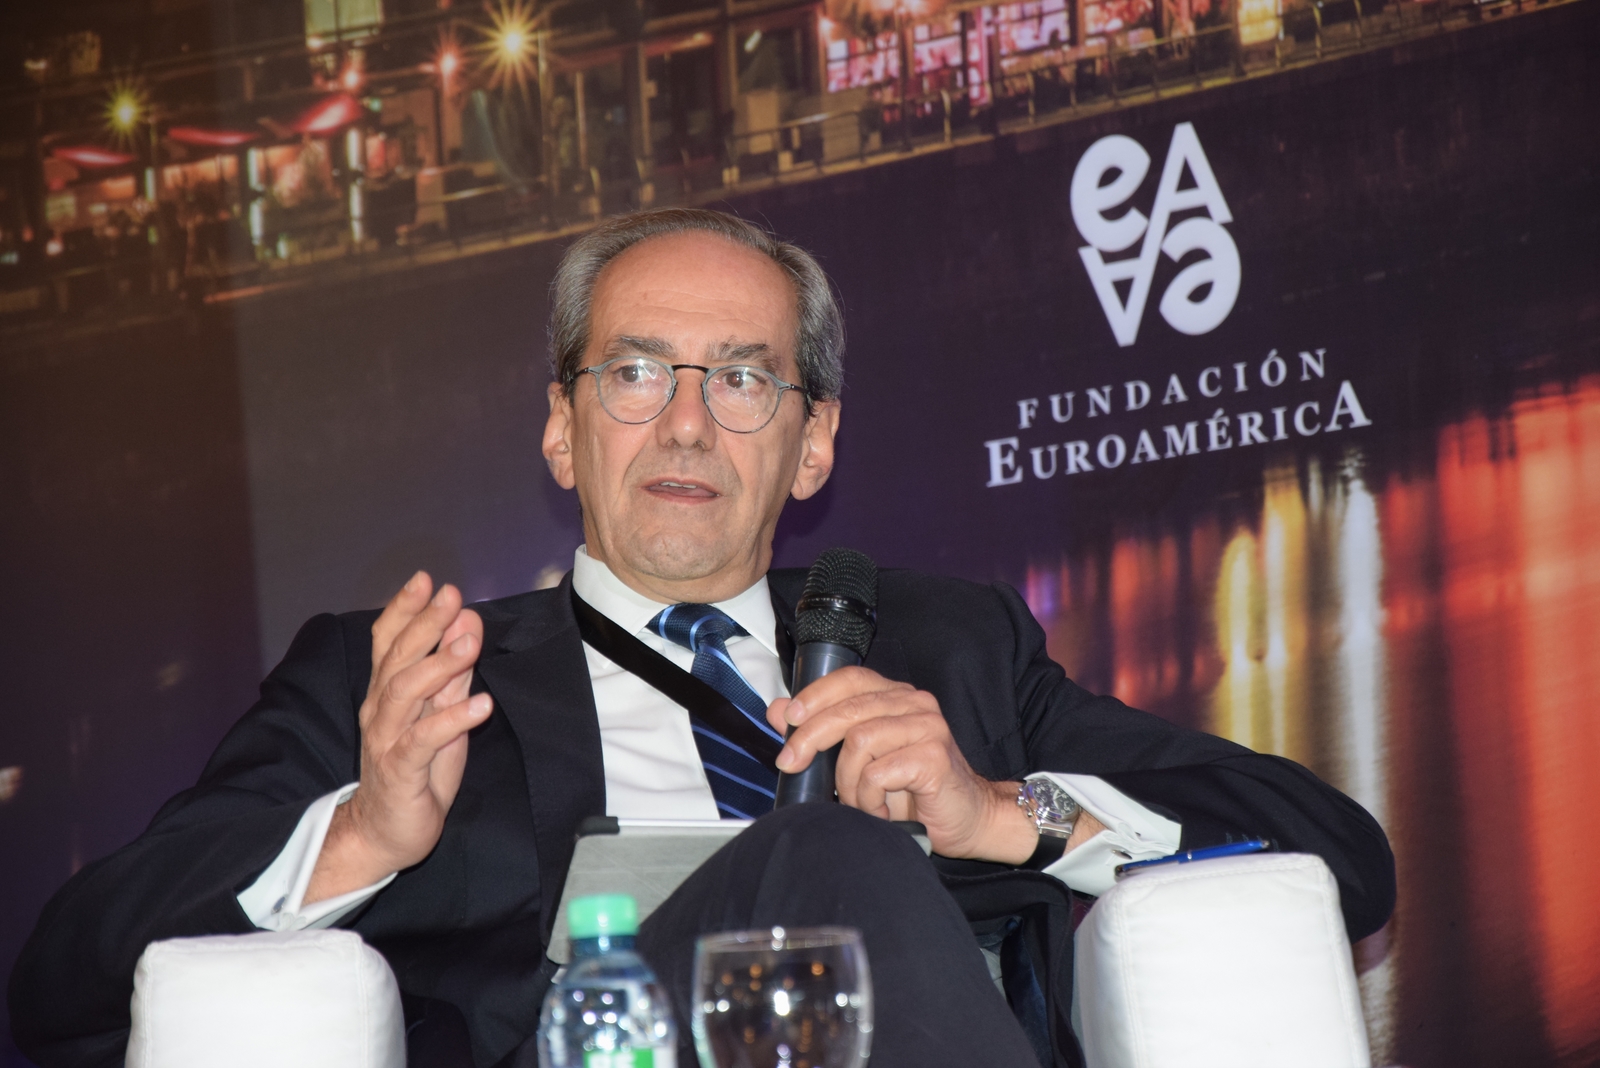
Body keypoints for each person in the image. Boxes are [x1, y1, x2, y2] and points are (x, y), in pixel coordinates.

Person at [8, 209, 1395, 1068]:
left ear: (813, 444)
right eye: (633, 372)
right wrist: (366, 832)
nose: (684, 423)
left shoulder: (952, 649)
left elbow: (1339, 855)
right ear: (563, 431)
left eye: (741, 379)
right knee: (824, 851)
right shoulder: (410, 680)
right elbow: (64, 977)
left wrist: (1001, 813)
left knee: (836, 854)